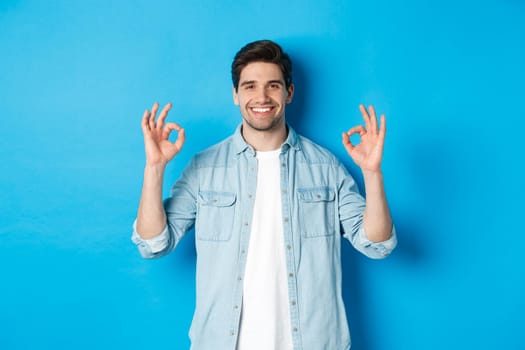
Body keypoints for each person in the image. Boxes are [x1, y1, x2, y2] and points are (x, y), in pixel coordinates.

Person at [132, 40, 397, 350]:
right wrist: (154, 167)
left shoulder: (325, 167)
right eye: (249, 86)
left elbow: (377, 245)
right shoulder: (204, 168)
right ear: (235, 94)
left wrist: (372, 173)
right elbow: (153, 244)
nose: (261, 97)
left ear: (289, 92)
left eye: (273, 85)